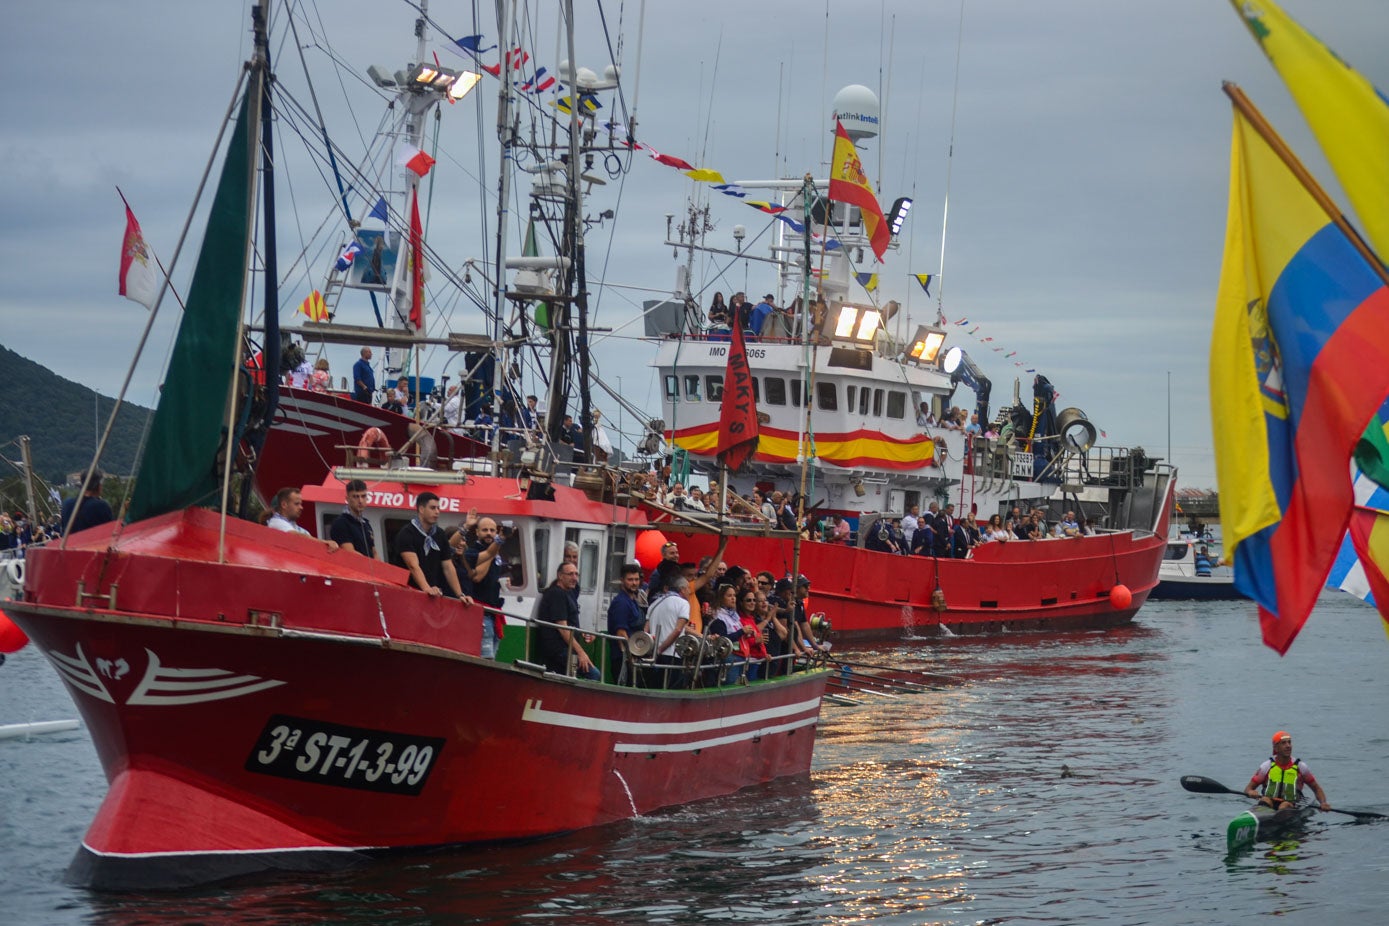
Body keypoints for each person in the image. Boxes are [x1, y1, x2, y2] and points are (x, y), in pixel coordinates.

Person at [391, 492, 470, 604]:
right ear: (421, 509)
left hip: (432, 596)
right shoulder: (406, 533)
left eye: (438, 508)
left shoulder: (440, 534)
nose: (437, 512)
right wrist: (427, 588)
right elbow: (413, 566)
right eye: (433, 508)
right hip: (408, 596)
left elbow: (448, 566)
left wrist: (460, 594)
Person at [535, 562, 601, 680]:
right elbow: (563, 628)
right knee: (594, 674)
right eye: (570, 574)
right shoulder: (556, 594)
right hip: (557, 650)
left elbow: (570, 624)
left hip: (566, 648)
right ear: (560, 576)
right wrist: (581, 653)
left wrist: (582, 633)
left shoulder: (569, 593)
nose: (574, 578)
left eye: (576, 574)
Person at [1244, 731, 1331, 812]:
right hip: (1269, 803)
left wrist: (1323, 803)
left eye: (1289, 742)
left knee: (1284, 805)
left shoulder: (1301, 767)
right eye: (1283, 743)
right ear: (1276, 748)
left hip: (1291, 805)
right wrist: (1251, 792)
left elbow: (1316, 788)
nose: (1288, 745)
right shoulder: (1266, 766)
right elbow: (1248, 789)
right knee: (1265, 799)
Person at [465, 516, 508, 658]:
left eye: (492, 530)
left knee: (492, 658)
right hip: (480, 613)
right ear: (477, 532)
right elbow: (477, 577)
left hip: (493, 613)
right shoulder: (473, 552)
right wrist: (492, 552)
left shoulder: (496, 555)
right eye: (485, 530)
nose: (489, 533)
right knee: (485, 659)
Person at [646, 575, 692, 688]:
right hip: (672, 654)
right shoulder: (683, 603)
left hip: (652, 654)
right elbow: (678, 629)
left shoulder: (654, 603)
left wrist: (652, 649)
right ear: (682, 589)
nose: (690, 591)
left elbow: (646, 629)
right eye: (688, 588)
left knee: (654, 687)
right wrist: (661, 649)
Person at [607, 563, 646, 684]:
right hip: (623, 659)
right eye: (630, 580)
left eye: (636, 579)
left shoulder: (633, 600)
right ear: (622, 580)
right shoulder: (621, 603)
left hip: (635, 656)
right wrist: (629, 657)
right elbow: (621, 634)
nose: (634, 583)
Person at [329, 479, 375, 557]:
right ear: (347, 499)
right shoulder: (341, 523)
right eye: (356, 497)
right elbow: (350, 554)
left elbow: (374, 552)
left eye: (363, 496)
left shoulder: (366, 524)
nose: (360, 501)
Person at [60, 470, 114, 535]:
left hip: (68, 544)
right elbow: (109, 532)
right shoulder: (102, 506)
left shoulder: (67, 504)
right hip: (92, 544)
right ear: (99, 486)